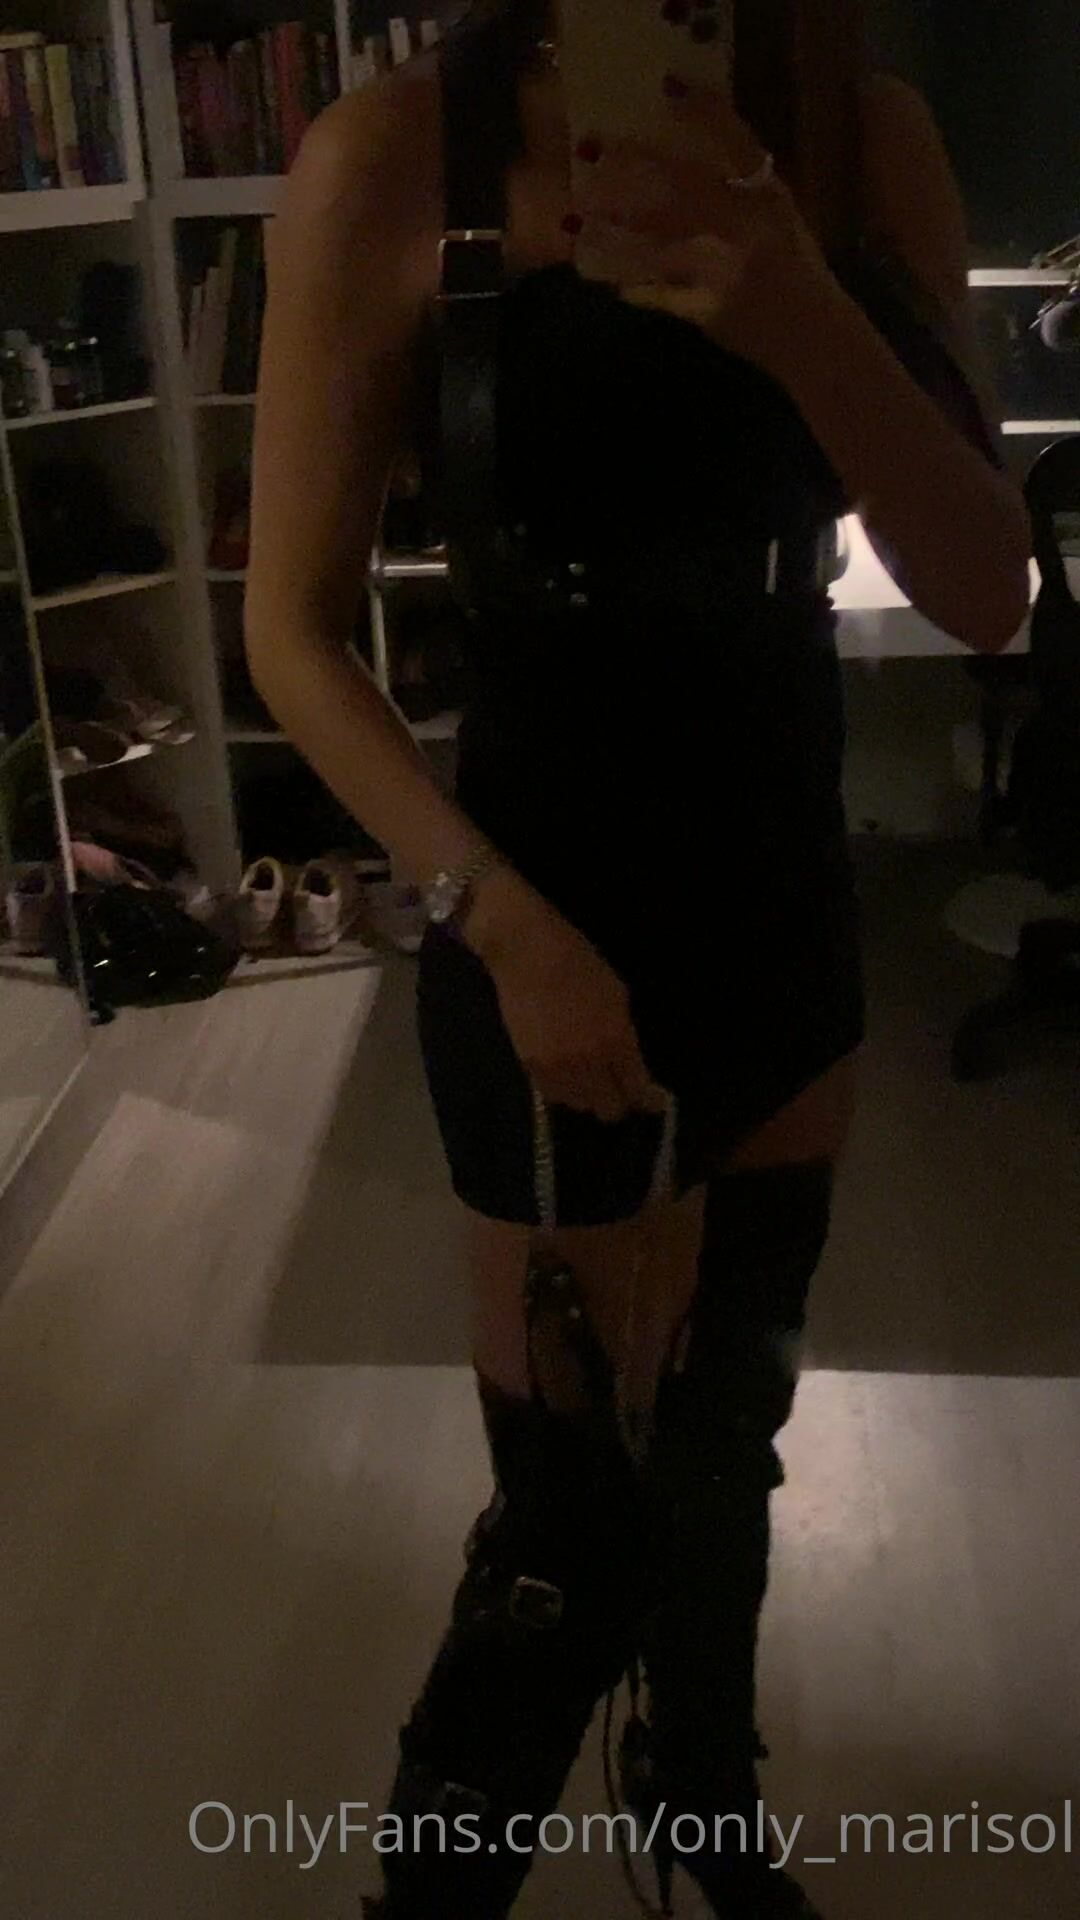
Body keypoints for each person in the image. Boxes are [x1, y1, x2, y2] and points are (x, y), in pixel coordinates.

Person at [245, 2, 1032, 1913]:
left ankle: (703, 1813)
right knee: (570, 1523)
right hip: (537, 904)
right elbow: (291, 632)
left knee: (728, 1436)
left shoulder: (862, 136)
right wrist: (496, 924)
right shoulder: (394, 159)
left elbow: (985, 586)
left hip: (781, 886)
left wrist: (800, 310)